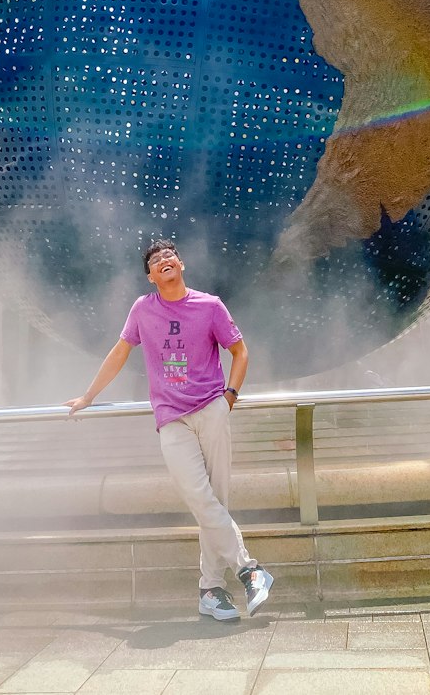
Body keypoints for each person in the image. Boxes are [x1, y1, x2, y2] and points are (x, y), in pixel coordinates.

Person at [66, 236, 274, 621]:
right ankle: (250, 571)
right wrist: (88, 396)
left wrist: (228, 396)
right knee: (200, 498)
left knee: (216, 503)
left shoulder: (210, 306)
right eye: (157, 259)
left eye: (170, 255)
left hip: (211, 410)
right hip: (172, 419)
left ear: (181, 265)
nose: (165, 260)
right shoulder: (143, 310)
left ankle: (210, 590)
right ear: (150, 276)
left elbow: (240, 351)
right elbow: (119, 353)